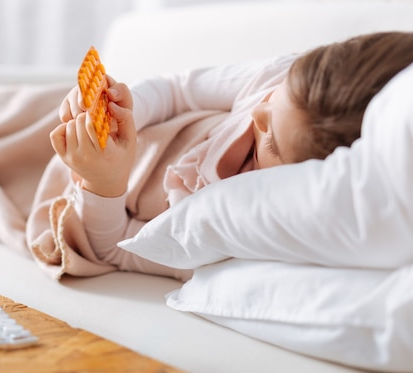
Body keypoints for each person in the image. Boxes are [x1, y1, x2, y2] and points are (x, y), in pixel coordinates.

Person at [48, 31, 413, 280]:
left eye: (271, 144)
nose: (258, 113)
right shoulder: (278, 80)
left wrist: (103, 183)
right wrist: (126, 109)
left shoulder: (236, 232)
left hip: (76, 187)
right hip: (99, 131)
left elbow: (116, 249)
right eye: (273, 98)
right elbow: (177, 91)